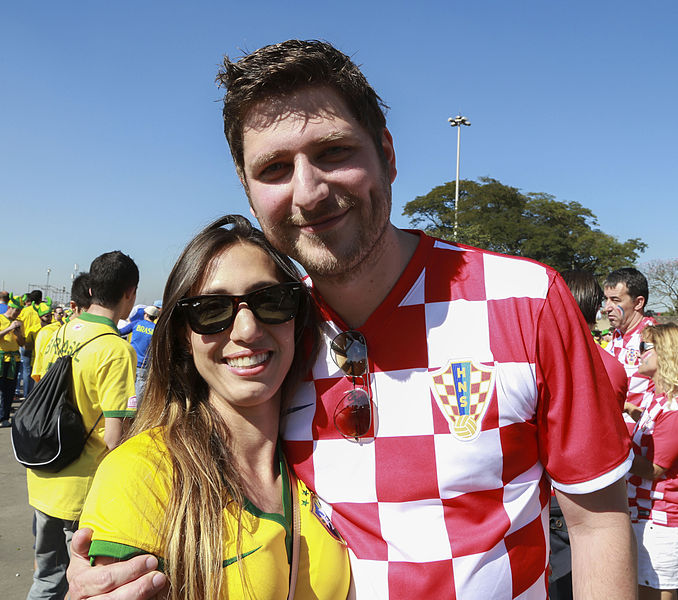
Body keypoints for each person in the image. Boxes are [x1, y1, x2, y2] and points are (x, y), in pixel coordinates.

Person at [68, 40, 635, 600]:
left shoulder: (527, 301)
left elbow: (595, 524)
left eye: (333, 151)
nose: (310, 192)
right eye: (274, 168)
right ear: (247, 188)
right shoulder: (276, 328)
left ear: (387, 154)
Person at [78, 215, 349, 600]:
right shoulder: (143, 474)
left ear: (296, 318)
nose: (246, 330)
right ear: (183, 336)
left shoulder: (326, 461)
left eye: (270, 300)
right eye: (211, 310)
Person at [26, 252, 139, 600]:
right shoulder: (117, 350)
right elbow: (115, 438)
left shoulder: (56, 334)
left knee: (45, 578)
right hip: (82, 492)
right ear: (130, 294)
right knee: (83, 585)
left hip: (41, 472)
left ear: (90, 288)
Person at [624, 324, 678, 600]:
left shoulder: (674, 408)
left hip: (661, 522)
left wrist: (616, 449)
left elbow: (655, 468)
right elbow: (653, 434)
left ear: (666, 354)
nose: (640, 353)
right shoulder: (659, 399)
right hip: (643, 514)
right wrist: (631, 411)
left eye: (646, 348)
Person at [604, 268, 657, 408]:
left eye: (615, 300)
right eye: (606, 299)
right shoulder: (616, 336)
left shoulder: (655, 339)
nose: (607, 307)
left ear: (638, 303)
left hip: (642, 427)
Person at [0, 294, 25, 427]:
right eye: (16, 310)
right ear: (9, 307)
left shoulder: (19, 323)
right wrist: (9, 328)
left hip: (14, 360)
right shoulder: (0, 318)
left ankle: (4, 417)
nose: (18, 313)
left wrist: (18, 333)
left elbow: (22, 343)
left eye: (20, 311)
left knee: (9, 390)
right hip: (1, 358)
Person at [128, 304, 159, 401]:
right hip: (144, 365)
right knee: (140, 388)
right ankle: (134, 412)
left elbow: (121, 331)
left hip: (130, 360)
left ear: (146, 314)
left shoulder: (137, 323)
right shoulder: (156, 329)